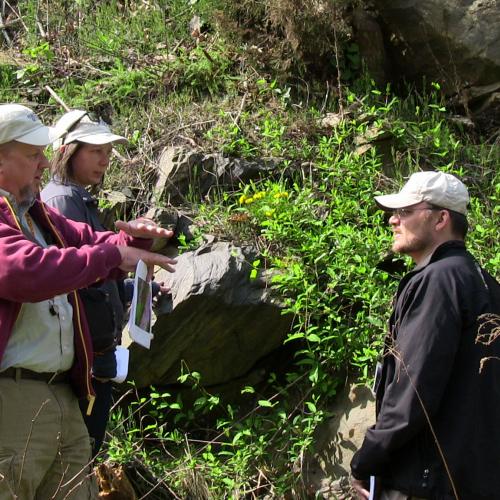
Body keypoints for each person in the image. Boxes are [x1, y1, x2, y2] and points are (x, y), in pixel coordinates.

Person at [0, 103, 176, 499]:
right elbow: (24, 271)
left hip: (63, 391)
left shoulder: (38, 214)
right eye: (32, 155)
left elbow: (92, 241)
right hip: (12, 397)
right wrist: (115, 256)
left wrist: (132, 241)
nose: (44, 164)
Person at [350, 171, 500, 500]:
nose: (392, 220)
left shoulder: (439, 281)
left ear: (440, 218)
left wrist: (368, 459)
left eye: (405, 211)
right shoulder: (486, 285)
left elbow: (413, 389)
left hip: (426, 484)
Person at [41, 110, 167, 457]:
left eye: (109, 152)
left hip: (95, 355)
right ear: (68, 150)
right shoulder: (62, 200)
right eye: (96, 150)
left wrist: (132, 289)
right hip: (86, 359)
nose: (105, 159)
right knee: (79, 456)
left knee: (84, 454)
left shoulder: (76, 197)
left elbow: (93, 274)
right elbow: (73, 277)